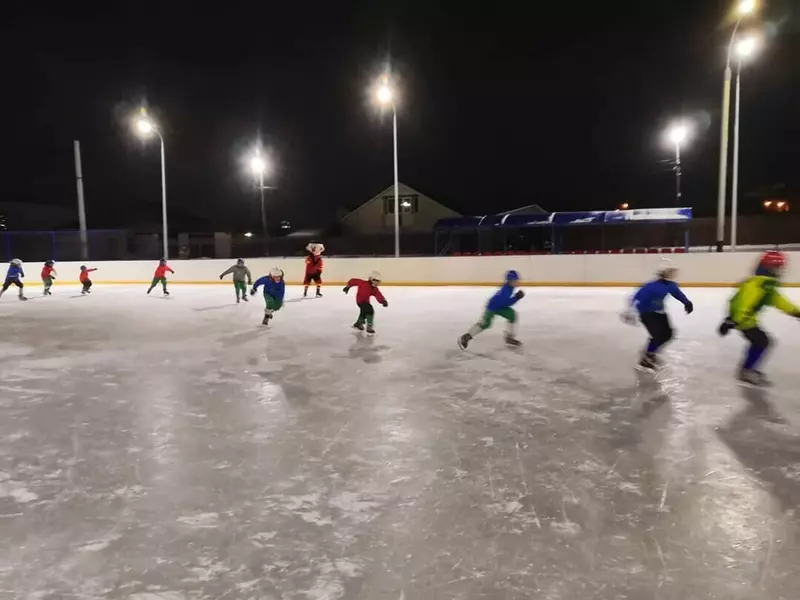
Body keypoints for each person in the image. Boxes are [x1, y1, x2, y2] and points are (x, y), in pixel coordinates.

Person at [719, 250, 800, 386]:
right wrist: (732, 320)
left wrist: (796, 312)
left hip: (746, 319)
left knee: (759, 342)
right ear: (769, 268)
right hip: (743, 319)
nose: (779, 271)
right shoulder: (758, 284)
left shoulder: (767, 286)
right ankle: (747, 370)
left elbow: (780, 301)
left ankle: (747, 368)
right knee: (762, 341)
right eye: (777, 268)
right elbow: (742, 303)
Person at [622, 260, 693, 371]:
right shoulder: (650, 286)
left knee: (668, 335)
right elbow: (635, 297)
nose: (673, 274)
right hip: (647, 313)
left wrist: (687, 302)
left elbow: (677, 293)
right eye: (670, 271)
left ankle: (650, 351)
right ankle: (645, 361)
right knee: (657, 336)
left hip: (660, 312)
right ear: (663, 273)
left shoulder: (671, 285)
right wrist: (630, 311)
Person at [458, 270, 524, 349]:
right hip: (492, 308)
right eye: (516, 280)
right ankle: (465, 337)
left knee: (512, 315)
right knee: (485, 324)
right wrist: (516, 298)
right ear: (510, 281)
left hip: (499, 306)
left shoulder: (510, 287)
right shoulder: (505, 291)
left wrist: (516, 297)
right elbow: (506, 303)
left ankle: (509, 338)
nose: (518, 282)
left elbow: (504, 303)